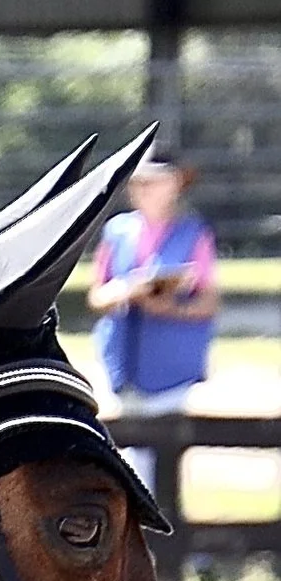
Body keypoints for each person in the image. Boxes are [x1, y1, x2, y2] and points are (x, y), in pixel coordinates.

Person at [89, 151, 220, 494]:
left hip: (171, 366)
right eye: (141, 182)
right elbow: (96, 296)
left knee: (165, 461)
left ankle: (171, 539)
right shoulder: (116, 232)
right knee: (127, 460)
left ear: (176, 184)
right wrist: (127, 291)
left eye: (156, 181)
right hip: (123, 363)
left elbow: (208, 301)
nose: (147, 189)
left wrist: (170, 308)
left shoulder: (195, 234)